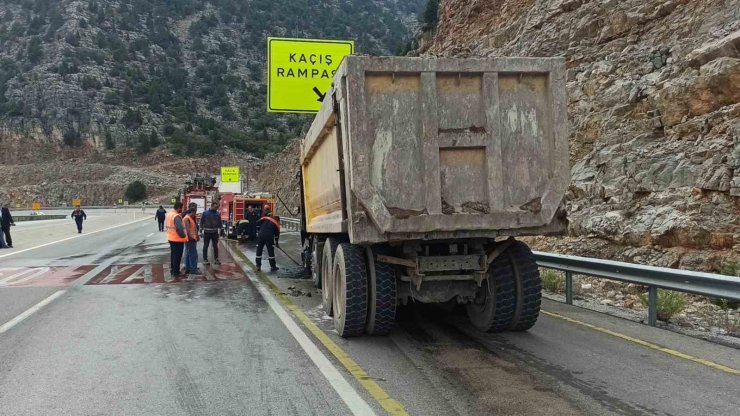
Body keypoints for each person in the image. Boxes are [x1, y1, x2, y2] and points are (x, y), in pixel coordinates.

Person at [165, 202, 188, 278]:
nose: (182, 210)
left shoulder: (170, 214)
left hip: (171, 238)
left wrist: (186, 212)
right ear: (178, 208)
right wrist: (183, 235)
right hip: (177, 239)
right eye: (181, 208)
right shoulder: (176, 216)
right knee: (177, 256)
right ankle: (176, 272)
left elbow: (181, 215)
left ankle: (173, 270)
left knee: (173, 255)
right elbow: (179, 228)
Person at [200, 202, 221, 266]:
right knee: (206, 246)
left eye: (217, 207)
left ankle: (216, 259)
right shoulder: (205, 213)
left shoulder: (217, 213)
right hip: (207, 233)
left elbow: (220, 222)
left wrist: (222, 229)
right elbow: (201, 221)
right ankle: (205, 259)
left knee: (215, 246)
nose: (216, 208)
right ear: (211, 206)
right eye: (215, 207)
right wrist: (200, 230)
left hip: (215, 233)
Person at [183, 207, 201, 275]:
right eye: (194, 213)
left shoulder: (189, 218)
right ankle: (193, 269)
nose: (195, 214)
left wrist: (197, 236)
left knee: (188, 254)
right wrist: (191, 237)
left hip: (191, 239)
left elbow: (193, 228)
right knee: (193, 255)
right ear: (192, 212)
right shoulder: (187, 218)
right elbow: (187, 230)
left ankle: (188, 268)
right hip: (190, 239)